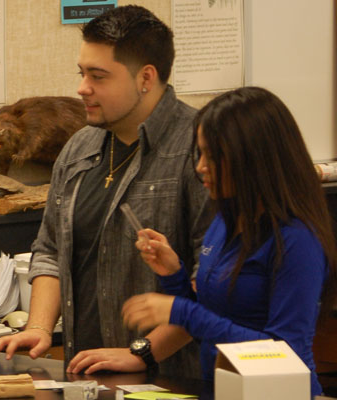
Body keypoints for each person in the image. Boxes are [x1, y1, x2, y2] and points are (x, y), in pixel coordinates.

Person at [0, 5, 212, 378]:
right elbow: (50, 251)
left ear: (146, 78)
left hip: (172, 379)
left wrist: (141, 354)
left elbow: (214, 287)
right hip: (87, 374)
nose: (82, 88)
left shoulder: (198, 149)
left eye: (99, 76)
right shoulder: (79, 148)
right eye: (82, 73)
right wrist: (39, 328)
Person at [122, 86, 337, 396]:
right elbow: (214, 318)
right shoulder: (225, 220)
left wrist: (181, 311)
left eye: (214, 156)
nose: (200, 167)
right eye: (200, 152)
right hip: (224, 388)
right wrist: (174, 276)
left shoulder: (297, 240)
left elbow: (284, 354)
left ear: (255, 159)